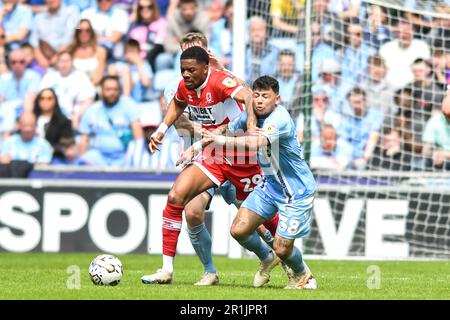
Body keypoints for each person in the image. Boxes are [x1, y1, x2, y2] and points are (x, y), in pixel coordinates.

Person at [142, 46, 277, 286]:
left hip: (241, 156)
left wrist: (251, 123)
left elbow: (247, 94)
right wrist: (161, 131)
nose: (185, 74)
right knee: (177, 197)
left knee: (259, 218)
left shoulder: (220, 81)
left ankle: (293, 265)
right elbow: (177, 103)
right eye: (182, 69)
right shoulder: (185, 85)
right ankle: (168, 270)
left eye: (191, 70)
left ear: (206, 67)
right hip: (211, 154)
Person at [201, 76, 317, 289]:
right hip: (270, 186)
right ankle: (266, 257)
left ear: (277, 99)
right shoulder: (250, 115)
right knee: (239, 230)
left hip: (296, 191)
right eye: (256, 95)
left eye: (266, 96)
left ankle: (303, 275)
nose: (260, 101)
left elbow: (256, 142)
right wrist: (206, 136)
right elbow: (229, 127)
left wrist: (221, 140)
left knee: (283, 248)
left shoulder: (279, 119)